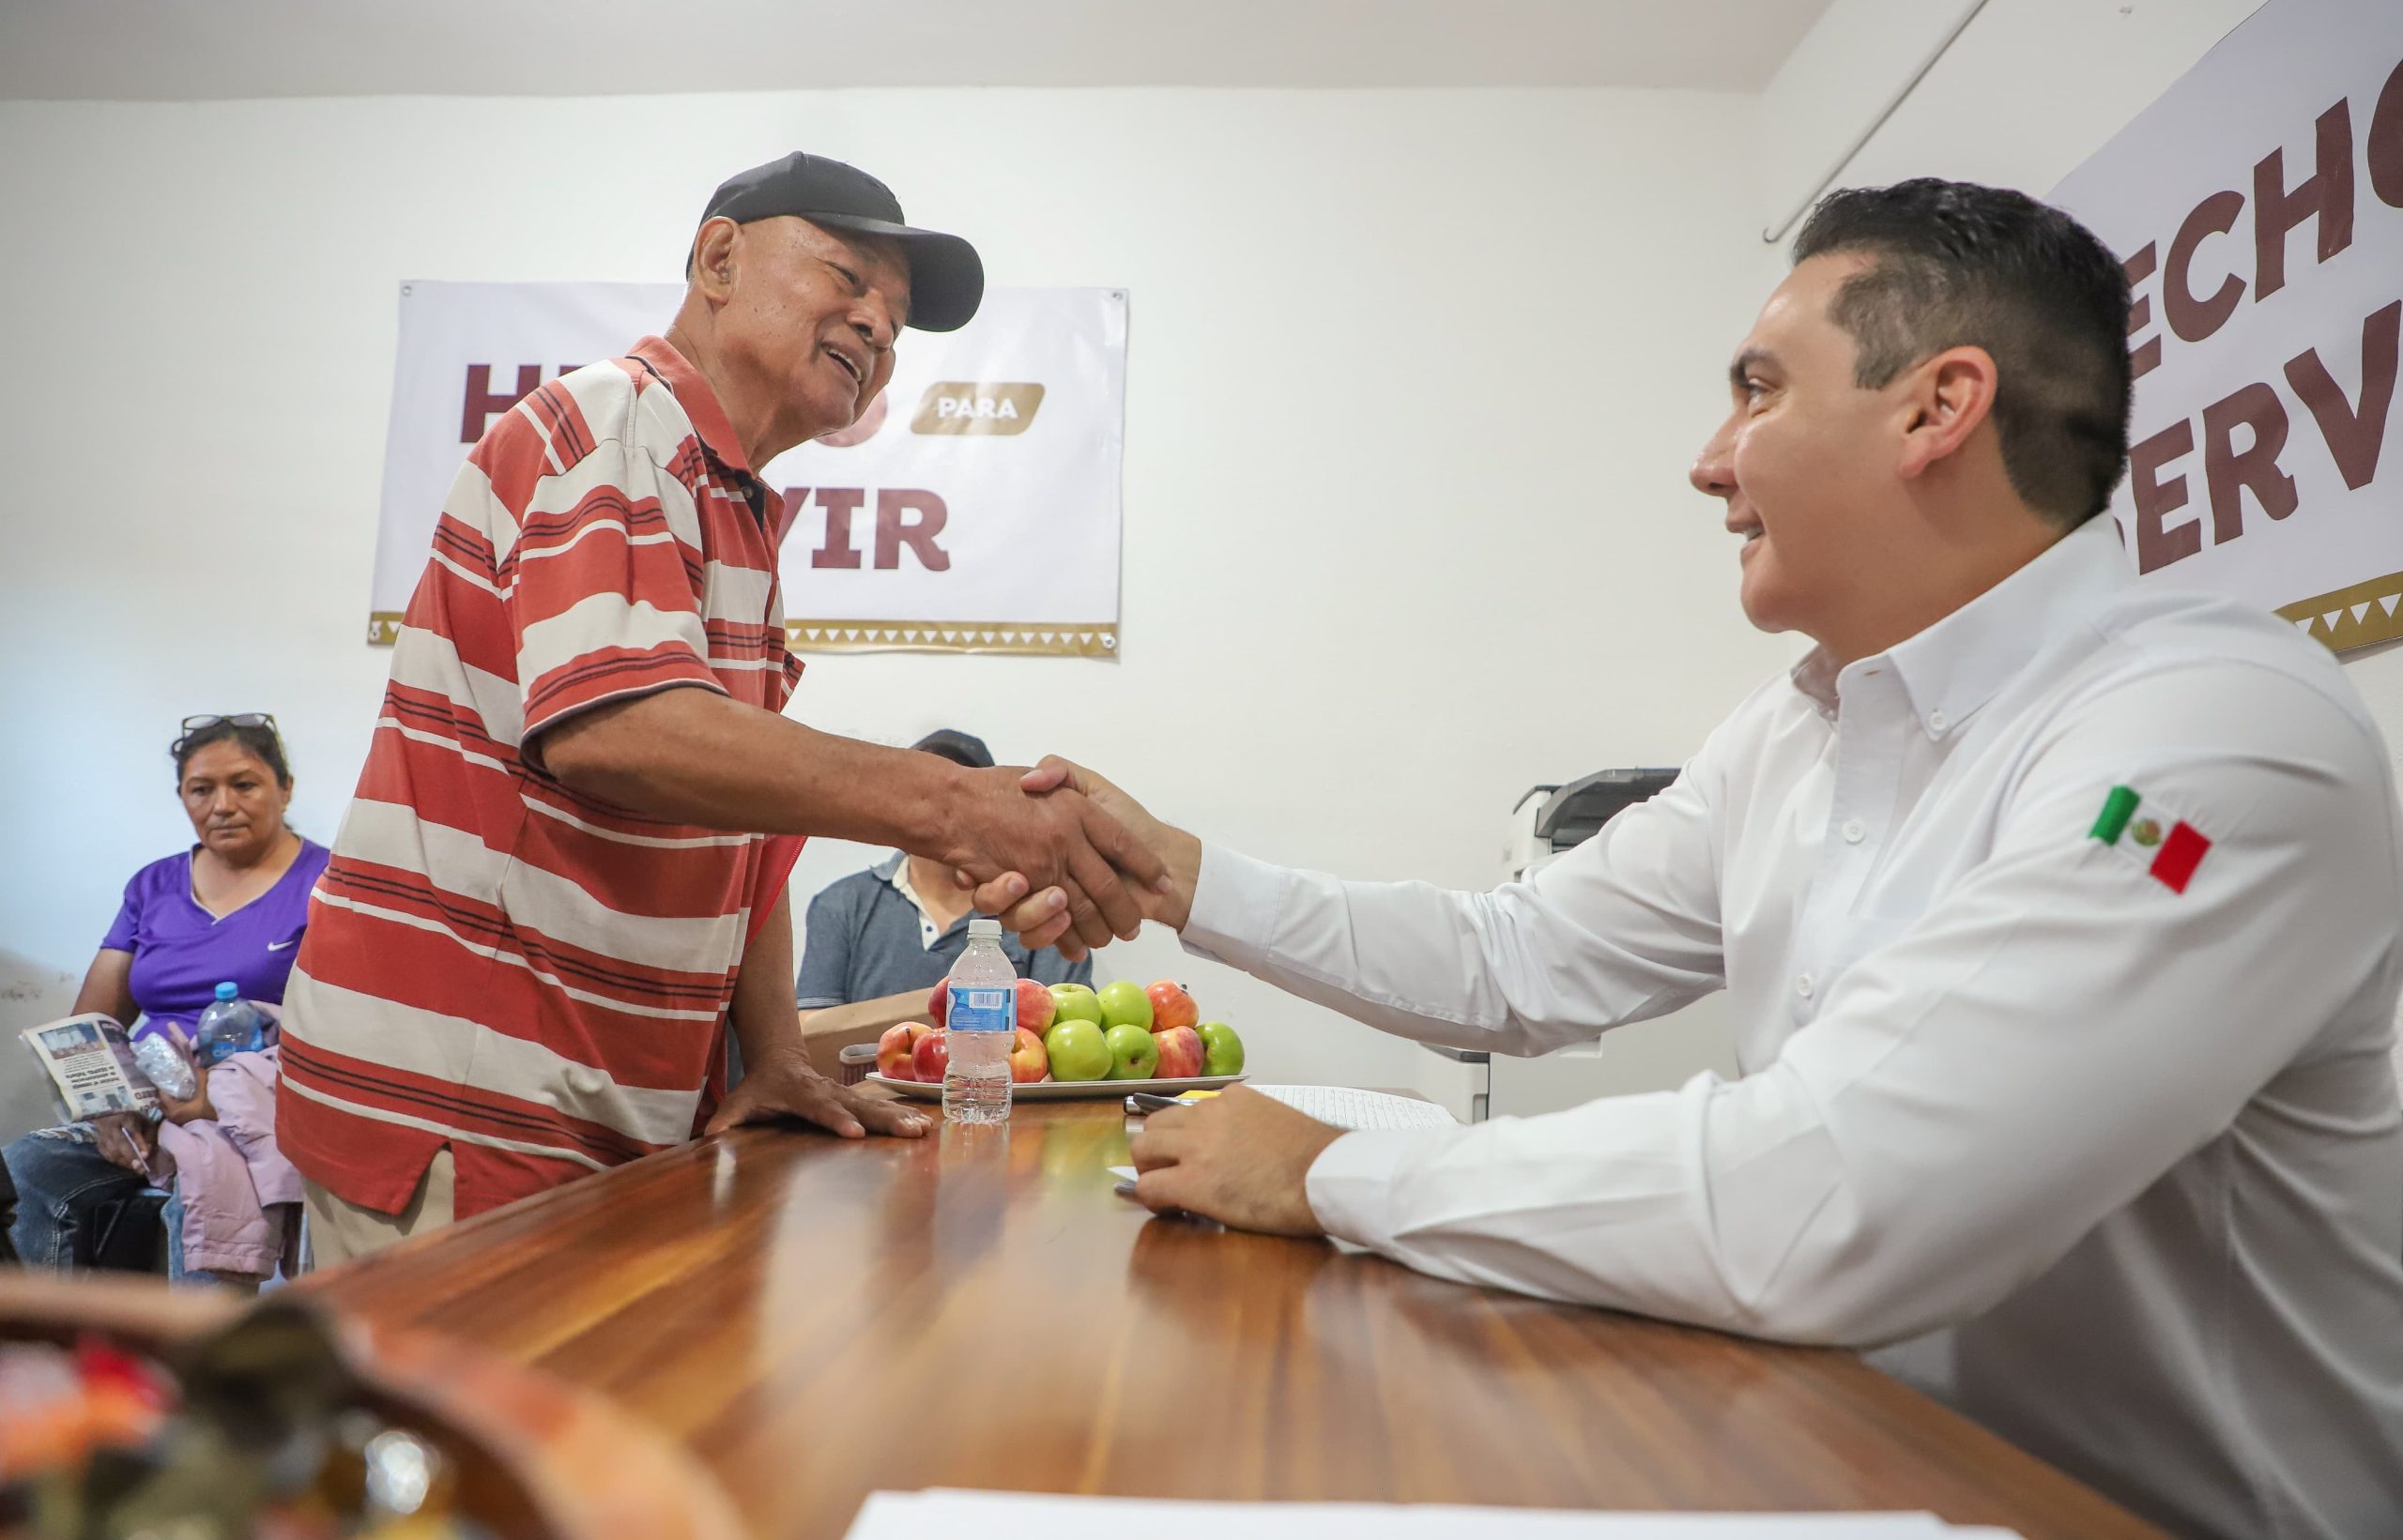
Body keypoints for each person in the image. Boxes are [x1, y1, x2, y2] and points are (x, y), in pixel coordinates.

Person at [988, 181, 2403, 1538]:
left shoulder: (2208, 740)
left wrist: (1331, 1174)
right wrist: (1182, 873)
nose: (1710, 458)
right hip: (1855, 1464)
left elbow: (1846, 1191)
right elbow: (1515, 954)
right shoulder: (1794, 730)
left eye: (1760, 388)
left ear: (1938, 406)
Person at [278, 151, 1168, 1262]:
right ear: (717, 256)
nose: (877, 327)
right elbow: (621, 730)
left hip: (598, 1106)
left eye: (895, 319)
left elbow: (737, 826)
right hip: (466, 1099)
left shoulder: (729, 502)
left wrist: (776, 1049)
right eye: (846, 278)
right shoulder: (616, 419)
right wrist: (952, 807)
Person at [7, 715, 325, 1285]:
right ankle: (49, 1352)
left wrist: (218, 1099)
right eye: (201, 789)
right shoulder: (153, 886)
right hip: (150, 1103)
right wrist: (109, 1108)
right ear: (183, 796)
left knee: (205, 1202)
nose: (222, 804)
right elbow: (91, 1023)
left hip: (258, 1107)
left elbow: (339, 1030)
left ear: (285, 788)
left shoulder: (325, 884)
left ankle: (202, 1369)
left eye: (244, 784)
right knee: (27, 1167)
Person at [796, 731, 1094, 1023]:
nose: (939, 811)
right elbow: (810, 1028)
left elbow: (1072, 1024)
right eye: (923, 792)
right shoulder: (842, 904)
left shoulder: (1037, 910)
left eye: (960, 797)